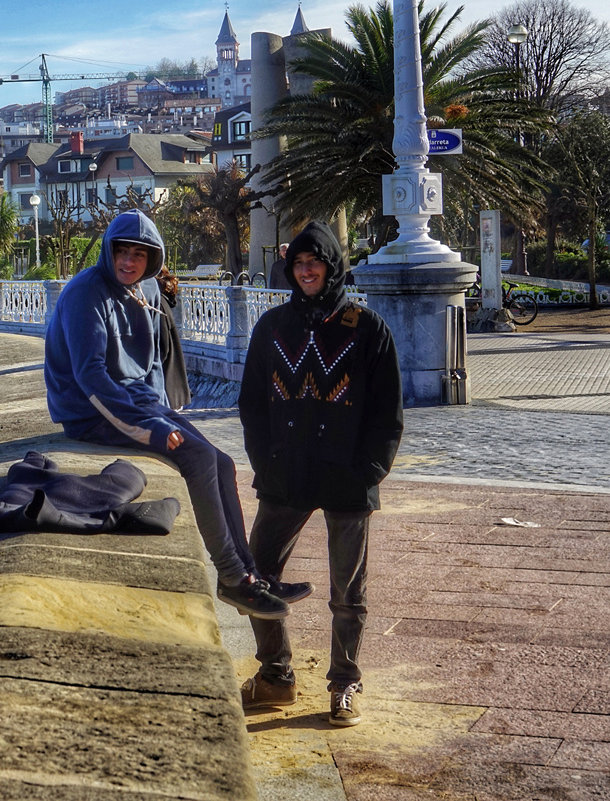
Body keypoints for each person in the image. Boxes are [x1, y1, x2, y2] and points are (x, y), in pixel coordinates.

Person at [44, 211, 304, 622]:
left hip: (138, 402)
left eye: (140, 255)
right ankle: (233, 578)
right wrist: (150, 430)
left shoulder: (141, 289)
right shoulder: (84, 294)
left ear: (153, 259)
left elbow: (147, 368)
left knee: (221, 461)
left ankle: (253, 573)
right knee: (196, 459)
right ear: (108, 251)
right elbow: (90, 378)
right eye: (121, 252)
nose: (129, 262)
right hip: (90, 412)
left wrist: (163, 412)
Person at [238, 221, 402, 728]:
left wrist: (369, 472)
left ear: (333, 267)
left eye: (316, 263)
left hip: (347, 479)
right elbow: (252, 406)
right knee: (254, 576)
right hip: (286, 475)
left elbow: (387, 412)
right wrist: (266, 463)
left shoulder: (366, 328)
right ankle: (276, 675)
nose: (307, 272)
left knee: (347, 593)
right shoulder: (272, 327)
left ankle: (344, 684)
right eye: (299, 265)